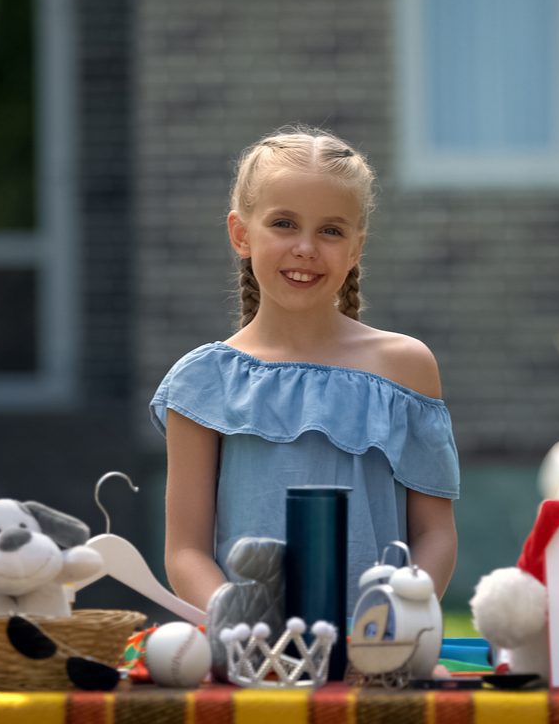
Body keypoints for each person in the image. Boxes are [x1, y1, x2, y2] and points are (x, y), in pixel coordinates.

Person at [150, 124, 460, 612]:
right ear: (240, 234)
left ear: (356, 248)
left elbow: (435, 535)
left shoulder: (407, 369)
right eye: (284, 224)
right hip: (253, 667)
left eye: (331, 231)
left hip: (378, 662)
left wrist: (394, 626)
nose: (306, 248)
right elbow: (185, 552)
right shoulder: (201, 384)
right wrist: (243, 629)